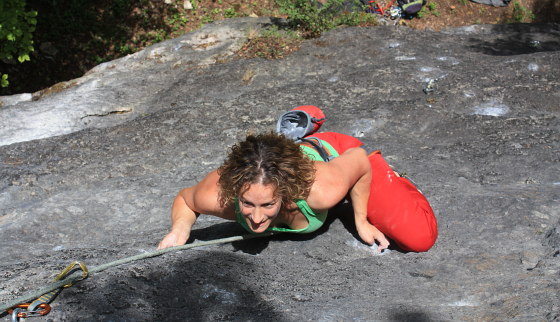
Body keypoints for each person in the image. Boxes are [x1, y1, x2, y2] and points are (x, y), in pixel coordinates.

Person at [158, 106, 437, 253]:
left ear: (286, 191)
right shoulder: (219, 195)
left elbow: (360, 160)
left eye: (267, 205)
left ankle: (307, 135)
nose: (255, 218)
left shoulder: (321, 189)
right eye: (247, 203)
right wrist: (181, 228)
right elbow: (186, 199)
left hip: (338, 154)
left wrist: (361, 220)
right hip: (290, 161)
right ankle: (295, 132)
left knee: (419, 237)